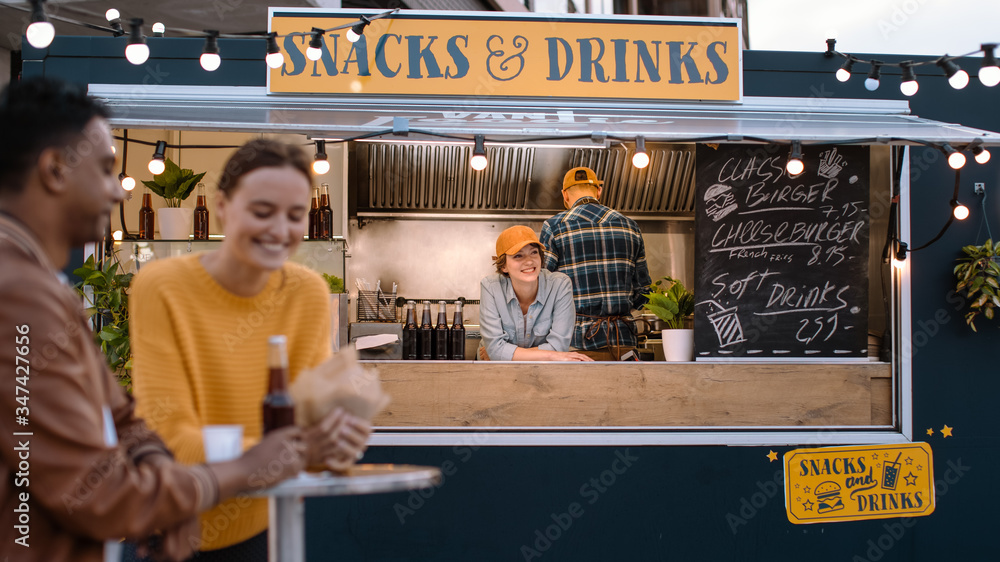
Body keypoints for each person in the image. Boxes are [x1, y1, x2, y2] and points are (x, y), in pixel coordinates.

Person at [0, 77, 315, 562]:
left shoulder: (40, 285)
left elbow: (123, 418)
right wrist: (239, 470)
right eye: (107, 170)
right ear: (55, 170)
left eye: (296, 214)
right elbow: (96, 492)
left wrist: (168, 494)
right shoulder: (17, 295)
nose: (117, 191)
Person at [127, 138, 371, 560]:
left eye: (296, 216)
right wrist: (292, 451)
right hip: (170, 534)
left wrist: (336, 439)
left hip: (263, 529)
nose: (279, 230)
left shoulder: (308, 292)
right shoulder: (161, 287)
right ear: (221, 206)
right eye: (262, 212)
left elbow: (307, 431)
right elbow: (170, 442)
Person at [539, 167, 652, 360]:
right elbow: (645, 291)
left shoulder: (554, 226)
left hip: (576, 343)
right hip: (623, 341)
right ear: (599, 191)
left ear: (565, 195)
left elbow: (542, 289)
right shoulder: (630, 226)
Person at [479, 225, 593, 362]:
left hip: (542, 371)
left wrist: (505, 353)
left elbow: (559, 347)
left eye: (534, 252)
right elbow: (496, 351)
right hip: (497, 372)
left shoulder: (560, 285)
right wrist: (551, 354)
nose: (529, 261)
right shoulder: (490, 287)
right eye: (518, 256)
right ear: (504, 266)